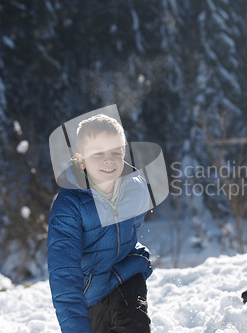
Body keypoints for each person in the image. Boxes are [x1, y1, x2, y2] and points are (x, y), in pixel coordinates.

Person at [48, 114, 152, 333]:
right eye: (98, 153)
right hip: (90, 294)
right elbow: (64, 277)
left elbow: (134, 225)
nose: (109, 160)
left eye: (116, 152)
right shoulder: (69, 207)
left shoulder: (136, 188)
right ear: (81, 160)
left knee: (135, 325)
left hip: (126, 273)